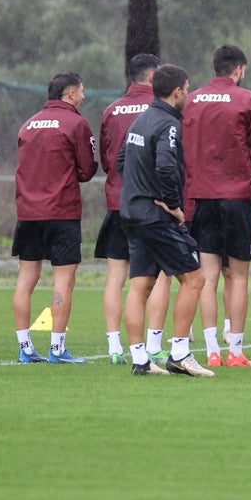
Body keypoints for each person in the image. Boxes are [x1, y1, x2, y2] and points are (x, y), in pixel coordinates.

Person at [119, 64, 213, 377]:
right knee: (195, 278)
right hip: (155, 216)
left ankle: (140, 359)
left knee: (141, 285)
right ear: (177, 91)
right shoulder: (168, 123)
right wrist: (173, 206)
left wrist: (139, 188)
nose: (187, 94)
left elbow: (121, 161)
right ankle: (180, 354)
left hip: (131, 212)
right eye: (186, 89)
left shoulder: (139, 121)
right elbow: (165, 168)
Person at [183, 44, 251, 367]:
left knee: (207, 275)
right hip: (236, 197)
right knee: (238, 276)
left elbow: (182, 146)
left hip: (201, 195)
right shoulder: (247, 99)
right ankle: (235, 351)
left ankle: (212, 352)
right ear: (239, 69)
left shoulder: (191, 100)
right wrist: (242, 172)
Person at [12, 72, 98, 364]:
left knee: (25, 280)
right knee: (63, 281)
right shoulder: (76, 123)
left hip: (28, 212)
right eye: (82, 92)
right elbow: (87, 171)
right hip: (61, 211)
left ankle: (25, 349)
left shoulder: (28, 123)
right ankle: (57, 350)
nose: (84, 97)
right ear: (70, 94)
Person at [95, 54, 171, 365]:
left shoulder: (111, 110)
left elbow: (106, 159)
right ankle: (153, 345)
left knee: (115, 277)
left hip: (118, 203)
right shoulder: (160, 111)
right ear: (153, 78)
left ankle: (114, 347)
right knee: (159, 276)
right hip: (152, 206)